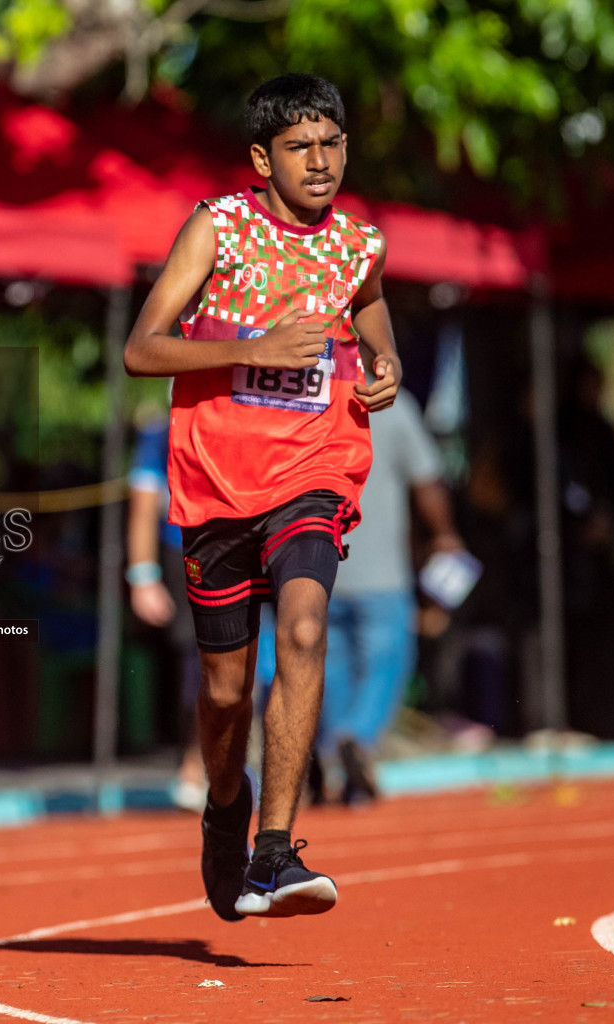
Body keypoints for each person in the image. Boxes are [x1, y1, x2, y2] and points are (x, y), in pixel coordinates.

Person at [123, 73, 400, 921]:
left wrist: (385, 365)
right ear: (261, 157)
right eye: (298, 147)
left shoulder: (361, 244)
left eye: (331, 143)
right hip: (215, 480)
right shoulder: (219, 227)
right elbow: (143, 349)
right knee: (224, 692)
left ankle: (275, 852)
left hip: (314, 468)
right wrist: (253, 349)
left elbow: (371, 309)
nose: (319, 161)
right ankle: (224, 808)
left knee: (307, 627)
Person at [321, 393, 465, 802]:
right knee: (389, 664)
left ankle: (337, 762)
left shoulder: (309, 397)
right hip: (381, 571)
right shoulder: (390, 405)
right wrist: (443, 534)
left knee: (331, 670)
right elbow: (427, 480)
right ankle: (358, 738)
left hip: (319, 568)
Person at [125, 416, 206, 810]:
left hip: (256, 547)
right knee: (201, 665)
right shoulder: (161, 433)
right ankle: (195, 763)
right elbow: (143, 501)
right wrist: (142, 575)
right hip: (187, 553)